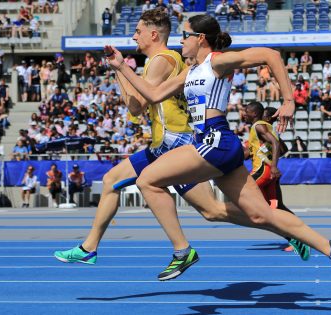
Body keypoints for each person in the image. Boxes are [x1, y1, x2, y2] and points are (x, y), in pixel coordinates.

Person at [54, 9, 309, 279]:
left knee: (212, 211)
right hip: (162, 145)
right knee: (111, 180)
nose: (134, 36)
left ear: (153, 34)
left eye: (138, 31)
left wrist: (121, 70)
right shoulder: (164, 60)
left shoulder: (160, 60)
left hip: (177, 142)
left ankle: (286, 230)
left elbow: (139, 104)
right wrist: (119, 69)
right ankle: (90, 247)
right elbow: (139, 102)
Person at [104, 13, 331, 284]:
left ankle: (182, 251)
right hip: (214, 145)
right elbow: (152, 96)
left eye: (184, 35)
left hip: (215, 140)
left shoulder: (218, 61)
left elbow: (270, 55)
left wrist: (288, 100)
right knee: (261, 215)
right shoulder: (190, 71)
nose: (180, 41)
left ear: (200, 39)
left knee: (148, 180)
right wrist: (121, 66)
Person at [244, 102, 308, 255]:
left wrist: (273, 166)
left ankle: (297, 235)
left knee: (239, 195)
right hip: (270, 174)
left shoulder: (259, 126)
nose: (244, 114)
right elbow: (280, 147)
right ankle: (299, 236)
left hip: (263, 171)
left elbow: (275, 144)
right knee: (276, 209)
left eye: (246, 111)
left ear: (255, 114)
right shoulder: (266, 130)